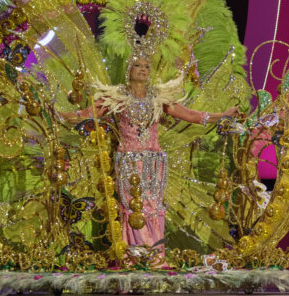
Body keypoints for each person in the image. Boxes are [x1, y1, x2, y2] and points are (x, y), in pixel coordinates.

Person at [79, 56, 239, 257]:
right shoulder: (117, 96)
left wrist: (222, 115)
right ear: (129, 69)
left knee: (153, 206)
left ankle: (155, 255)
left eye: (147, 66)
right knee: (131, 207)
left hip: (154, 164)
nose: (143, 69)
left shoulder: (157, 97)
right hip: (129, 162)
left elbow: (190, 115)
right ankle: (132, 256)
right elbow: (87, 114)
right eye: (138, 65)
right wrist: (59, 115)